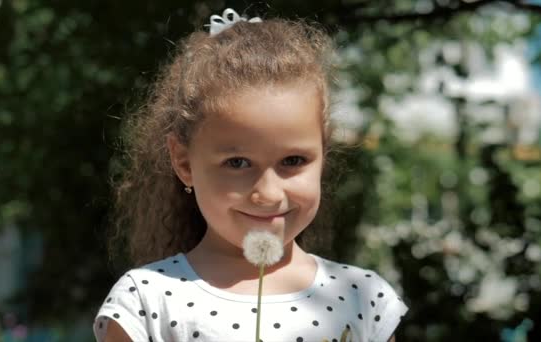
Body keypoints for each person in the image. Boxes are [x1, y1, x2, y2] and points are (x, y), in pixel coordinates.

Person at [94, 8, 408, 342]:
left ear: (323, 156)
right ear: (185, 164)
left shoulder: (363, 297)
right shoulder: (145, 301)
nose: (269, 194)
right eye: (238, 163)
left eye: (293, 160)